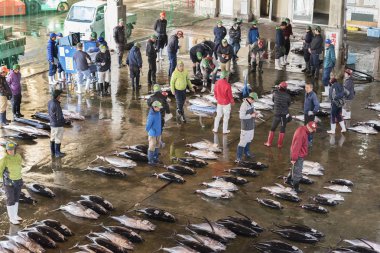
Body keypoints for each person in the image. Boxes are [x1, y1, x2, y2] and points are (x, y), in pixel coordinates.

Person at [287, 121, 318, 193]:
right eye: (313, 129)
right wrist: (294, 158)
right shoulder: (301, 134)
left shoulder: (303, 129)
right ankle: (296, 188)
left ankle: (288, 179)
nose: (314, 131)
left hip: (298, 153)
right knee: (297, 170)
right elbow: (296, 147)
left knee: (294, 167)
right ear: (308, 127)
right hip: (297, 154)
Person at [0, 141, 23, 224]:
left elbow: (19, 167)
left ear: (15, 149)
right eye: (9, 150)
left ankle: (15, 215)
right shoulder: (4, 159)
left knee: (16, 199)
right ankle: (11, 218)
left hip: (18, 181)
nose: (10, 151)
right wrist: (1, 181)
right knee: (10, 199)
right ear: (6, 150)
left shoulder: (18, 156)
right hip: (8, 183)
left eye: (12, 149)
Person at [264, 81, 291, 148]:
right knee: (282, 128)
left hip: (277, 114)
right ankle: (279, 144)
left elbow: (273, 100)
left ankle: (269, 143)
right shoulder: (287, 96)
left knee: (273, 128)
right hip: (284, 115)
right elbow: (289, 104)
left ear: (279, 87)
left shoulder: (275, 93)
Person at [236, 92, 260, 163]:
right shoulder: (244, 105)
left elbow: (253, 110)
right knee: (242, 142)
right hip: (245, 127)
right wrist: (251, 115)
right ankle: (238, 157)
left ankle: (247, 152)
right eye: (254, 100)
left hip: (251, 125)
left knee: (249, 139)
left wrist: (255, 112)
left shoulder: (251, 103)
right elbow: (241, 116)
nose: (254, 101)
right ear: (251, 99)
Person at [48, 90, 66, 158]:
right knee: (58, 138)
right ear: (57, 96)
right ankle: (57, 153)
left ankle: (53, 152)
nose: (60, 96)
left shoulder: (50, 102)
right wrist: (64, 122)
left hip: (52, 123)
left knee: (52, 138)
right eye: (60, 95)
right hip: (57, 124)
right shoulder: (56, 104)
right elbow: (59, 116)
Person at [146, 101, 163, 165]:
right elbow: (148, 126)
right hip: (153, 134)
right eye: (158, 107)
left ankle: (156, 158)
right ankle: (150, 161)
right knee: (152, 146)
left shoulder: (158, 113)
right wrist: (150, 131)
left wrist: (159, 130)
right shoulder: (151, 115)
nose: (160, 108)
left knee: (157, 145)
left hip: (158, 132)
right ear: (154, 107)